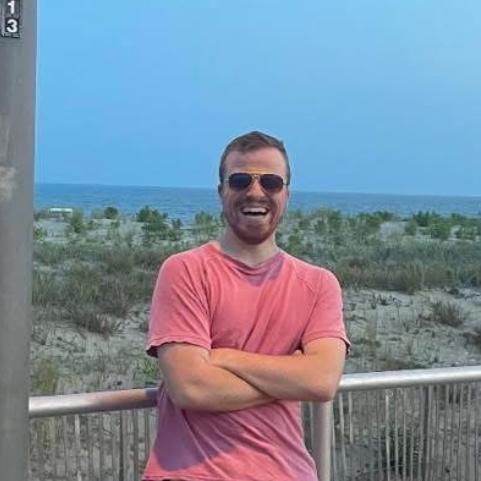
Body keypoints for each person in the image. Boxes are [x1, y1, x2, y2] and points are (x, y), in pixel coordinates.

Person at [143, 131, 350, 481]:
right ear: (221, 191)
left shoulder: (318, 284)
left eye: (270, 182)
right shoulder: (185, 270)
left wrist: (225, 358)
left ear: (286, 194)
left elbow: (321, 381)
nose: (255, 192)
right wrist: (290, 376)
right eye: (240, 181)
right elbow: (191, 387)